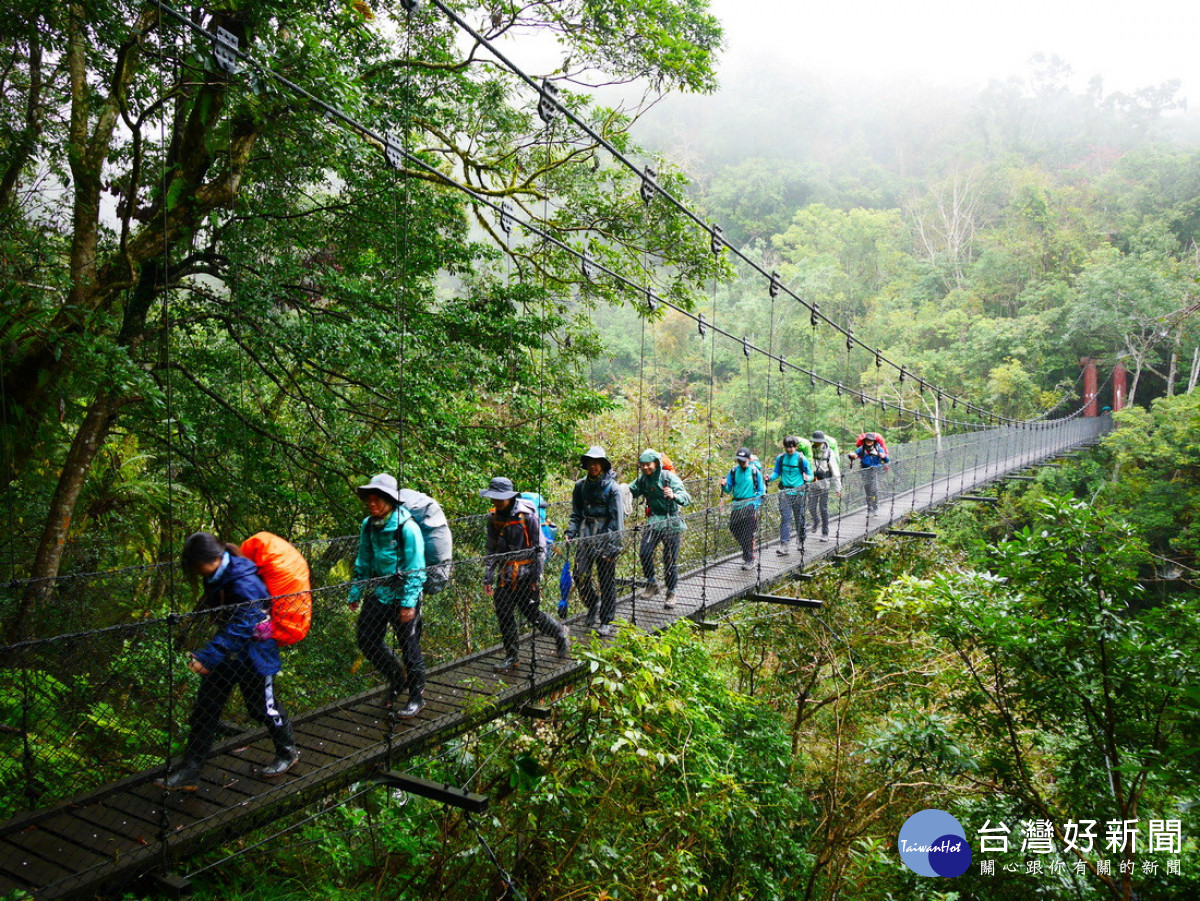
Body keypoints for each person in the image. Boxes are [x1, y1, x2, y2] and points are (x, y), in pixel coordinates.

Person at [159, 532, 298, 790]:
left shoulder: (244, 581)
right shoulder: (216, 575)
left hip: (254, 655)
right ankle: (190, 770)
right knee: (205, 710)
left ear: (207, 560)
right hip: (227, 655)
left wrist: (207, 656)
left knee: (262, 709)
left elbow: (244, 624)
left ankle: (288, 752)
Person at [348, 473, 427, 719]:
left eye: (377, 500)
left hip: (406, 592)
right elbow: (364, 559)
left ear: (390, 501)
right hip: (381, 591)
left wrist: (408, 604)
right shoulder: (368, 525)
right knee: (366, 638)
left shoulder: (407, 527)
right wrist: (356, 592)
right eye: (369, 500)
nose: (372, 504)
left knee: (408, 645)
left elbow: (417, 568)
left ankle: (417, 697)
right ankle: (397, 676)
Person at [482, 477, 571, 672]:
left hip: (527, 573)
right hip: (505, 575)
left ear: (509, 497)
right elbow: (491, 549)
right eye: (494, 498)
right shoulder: (493, 518)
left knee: (532, 614)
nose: (496, 502)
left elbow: (540, 547)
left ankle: (559, 632)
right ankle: (512, 656)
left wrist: (536, 577)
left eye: (500, 498)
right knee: (504, 614)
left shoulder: (527, 515)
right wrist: (488, 576)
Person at [564, 446, 625, 637]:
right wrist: (571, 532)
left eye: (597, 463)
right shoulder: (580, 486)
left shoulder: (613, 488)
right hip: (585, 534)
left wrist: (613, 548)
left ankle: (606, 620)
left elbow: (617, 521)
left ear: (603, 465)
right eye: (590, 463)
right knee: (580, 575)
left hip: (606, 535)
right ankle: (592, 605)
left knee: (606, 580)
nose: (593, 466)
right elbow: (576, 513)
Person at [630, 449, 691, 608]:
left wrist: (674, 495)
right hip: (654, 520)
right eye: (642, 465)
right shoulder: (642, 480)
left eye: (648, 465)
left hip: (672, 521)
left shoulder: (668, 477)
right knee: (645, 552)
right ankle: (652, 584)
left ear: (656, 464)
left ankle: (671, 593)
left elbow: (686, 497)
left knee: (669, 559)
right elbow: (630, 491)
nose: (645, 468)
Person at [766, 436, 811, 555]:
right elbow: (777, 472)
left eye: (791, 447)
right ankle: (784, 546)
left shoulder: (802, 459)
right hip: (785, 492)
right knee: (785, 519)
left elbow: (810, 474)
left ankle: (800, 540)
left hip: (799, 492)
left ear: (796, 447)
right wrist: (769, 478)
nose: (789, 450)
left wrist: (808, 478)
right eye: (787, 447)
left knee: (799, 518)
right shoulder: (781, 458)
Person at [722, 447, 764, 569]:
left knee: (748, 533)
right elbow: (729, 488)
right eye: (739, 460)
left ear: (749, 459)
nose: (741, 462)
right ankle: (747, 551)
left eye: (743, 460)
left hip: (749, 505)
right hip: (736, 505)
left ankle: (749, 559)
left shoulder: (755, 472)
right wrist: (724, 485)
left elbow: (761, 491)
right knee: (733, 527)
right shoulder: (734, 471)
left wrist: (754, 505)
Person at [807, 431, 843, 541]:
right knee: (811, 507)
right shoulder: (809, 451)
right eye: (815, 442)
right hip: (812, 484)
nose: (816, 444)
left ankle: (825, 532)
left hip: (824, 484)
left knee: (823, 508)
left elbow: (835, 471)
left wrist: (838, 488)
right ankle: (816, 520)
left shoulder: (829, 453)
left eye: (818, 442)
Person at [847, 432, 890, 515]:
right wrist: (852, 455)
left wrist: (883, 456)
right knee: (867, 490)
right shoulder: (862, 449)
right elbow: (855, 455)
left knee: (875, 489)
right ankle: (869, 507)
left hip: (875, 471)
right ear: (865, 441)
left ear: (874, 441)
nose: (869, 442)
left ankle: (875, 506)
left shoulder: (878, 448)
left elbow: (887, 460)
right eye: (867, 440)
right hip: (865, 471)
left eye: (871, 441)